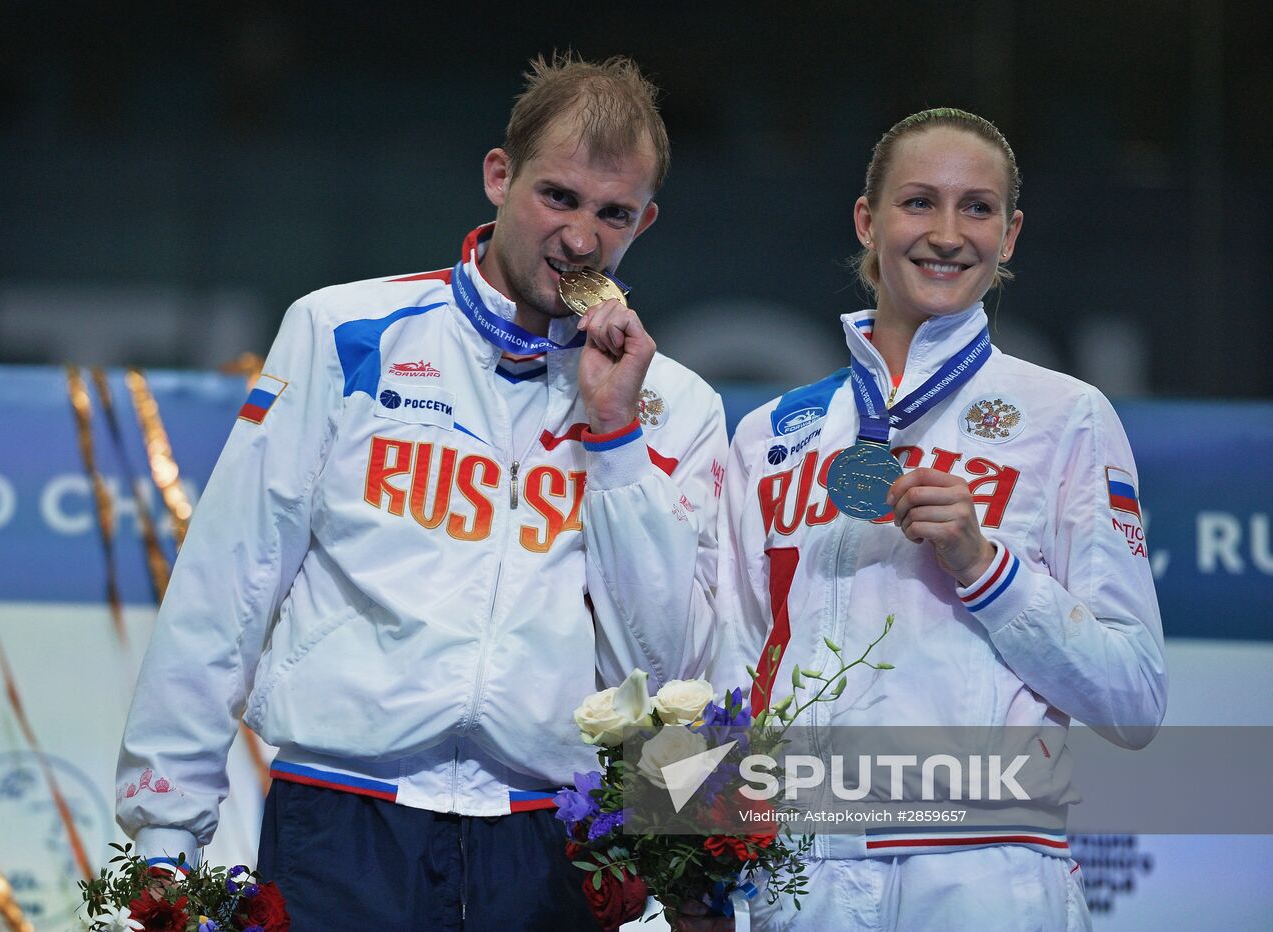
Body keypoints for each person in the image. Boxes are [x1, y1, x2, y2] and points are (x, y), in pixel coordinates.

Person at [116, 53, 727, 929]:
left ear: (647, 220)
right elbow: (230, 580)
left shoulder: (675, 405)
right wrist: (165, 836)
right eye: (557, 196)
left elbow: (668, 670)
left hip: (551, 841)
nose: (583, 239)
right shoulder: (343, 331)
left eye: (614, 213)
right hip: (339, 816)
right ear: (498, 175)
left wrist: (617, 435)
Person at [711, 108, 1166, 931]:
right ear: (868, 220)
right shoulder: (772, 434)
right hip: (800, 875)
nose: (948, 234)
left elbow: (1133, 698)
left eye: (978, 208)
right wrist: (701, 866)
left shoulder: (1068, 416)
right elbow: (731, 667)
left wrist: (987, 567)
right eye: (919, 202)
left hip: (982, 872)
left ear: (1012, 233)